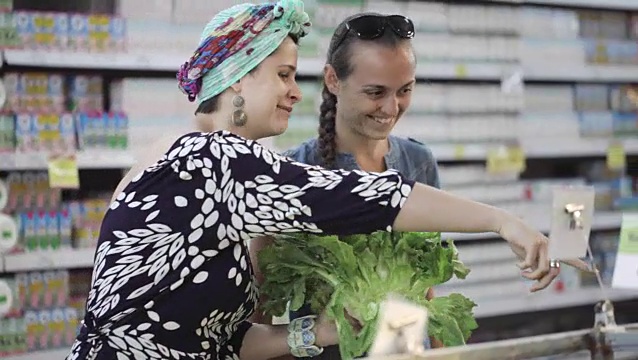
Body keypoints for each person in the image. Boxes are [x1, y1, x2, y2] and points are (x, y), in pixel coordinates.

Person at [66, 1, 590, 360]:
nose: (296, 91)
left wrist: (332, 329)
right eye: (284, 74)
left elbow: (223, 341)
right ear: (238, 76)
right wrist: (503, 222)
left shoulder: (185, 160)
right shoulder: (212, 159)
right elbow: (360, 199)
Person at [249, 12, 444, 357]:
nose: (391, 107)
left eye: (405, 90)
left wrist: (445, 353)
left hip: (408, 349)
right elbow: (262, 299)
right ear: (333, 80)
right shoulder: (291, 172)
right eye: (375, 92)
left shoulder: (419, 160)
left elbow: (425, 280)